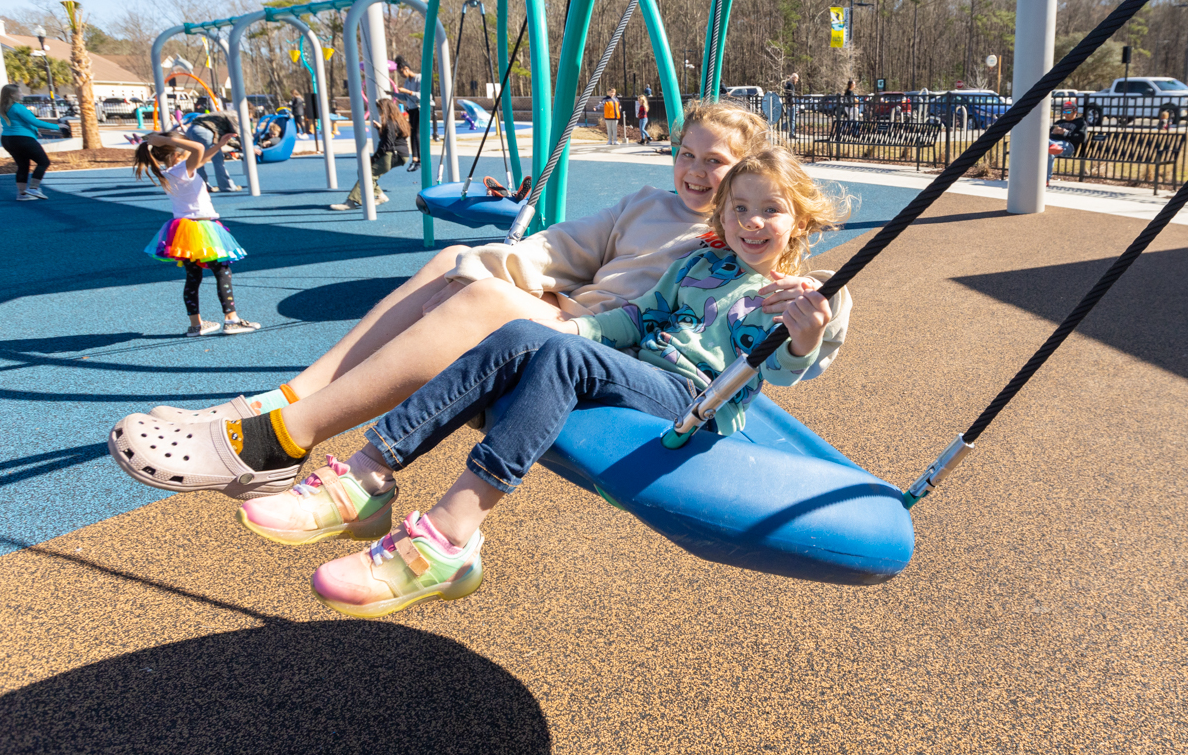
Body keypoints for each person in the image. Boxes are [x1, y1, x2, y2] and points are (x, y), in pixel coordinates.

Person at [108, 100, 852, 501]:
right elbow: (555, 249)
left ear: (744, 177)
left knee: (486, 301)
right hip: (573, 314)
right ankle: (279, 400)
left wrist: (812, 321)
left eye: (715, 164)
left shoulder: (729, 241)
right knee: (456, 263)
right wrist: (481, 266)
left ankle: (281, 442)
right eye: (686, 154)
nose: (694, 173)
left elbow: (795, 322)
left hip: (596, 342)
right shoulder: (644, 204)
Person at [243, 145, 848, 617]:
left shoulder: (797, 294)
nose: (752, 222)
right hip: (640, 372)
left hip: (694, 401)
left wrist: (805, 333)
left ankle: (448, 536)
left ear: (799, 222)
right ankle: (367, 473)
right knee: (521, 334)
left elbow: (783, 368)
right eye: (739, 208)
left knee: (562, 358)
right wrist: (571, 332)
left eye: (771, 210)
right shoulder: (698, 263)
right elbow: (636, 317)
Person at [134, 130, 261, 337]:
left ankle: (196, 325)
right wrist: (164, 139)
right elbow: (199, 149)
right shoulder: (183, 169)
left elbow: (201, 156)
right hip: (202, 228)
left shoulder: (169, 172)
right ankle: (232, 320)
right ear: (177, 153)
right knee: (222, 271)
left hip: (183, 231)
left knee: (193, 277)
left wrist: (218, 145)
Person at [331, 98, 408, 210]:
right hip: (400, 154)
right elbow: (393, 137)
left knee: (367, 174)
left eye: (379, 109)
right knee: (364, 172)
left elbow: (387, 143)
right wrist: (380, 129)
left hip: (393, 154)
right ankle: (380, 195)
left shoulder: (390, 122)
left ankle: (350, 202)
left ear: (384, 109)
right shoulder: (397, 120)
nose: (378, 111)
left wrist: (375, 157)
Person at [0, 83, 64, 201]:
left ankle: (22, 194)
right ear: (12, 95)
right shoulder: (18, 107)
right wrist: (58, 127)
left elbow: (21, 123)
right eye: (20, 92)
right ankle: (33, 188)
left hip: (7, 139)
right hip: (22, 139)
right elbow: (35, 122)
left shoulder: (2, 108)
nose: (22, 94)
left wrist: (34, 131)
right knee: (43, 162)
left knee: (23, 165)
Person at [184, 110, 242, 193]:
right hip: (204, 131)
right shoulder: (234, 116)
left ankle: (202, 186)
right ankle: (226, 186)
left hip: (191, 130)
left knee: (197, 159)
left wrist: (238, 145)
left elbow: (224, 138)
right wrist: (244, 146)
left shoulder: (220, 116)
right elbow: (238, 133)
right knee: (217, 159)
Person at [1046, 101, 1086, 185]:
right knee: (1048, 151)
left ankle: (1052, 146)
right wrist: (1053, 132)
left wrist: (1065, 133)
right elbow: (1047, 134)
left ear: (1075, 112)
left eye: (1068, 112)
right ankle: (1045, 180)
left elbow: (1082, 138)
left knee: (1048, 148)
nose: (1066, 114)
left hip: (1068, 146)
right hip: (1052, 143)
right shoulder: (1059, 122)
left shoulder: (1080, 123)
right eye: (1064, 111)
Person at [392, 56, 421, 168]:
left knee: (417, 133)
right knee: (412, 132)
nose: (401, 75)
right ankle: (415, 157)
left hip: (420, 108)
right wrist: (393, 94)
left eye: (401, 72)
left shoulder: (419, 78)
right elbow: (405, 97)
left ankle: (420, 158)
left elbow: (422, 95)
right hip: (412, 109)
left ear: (406, 69)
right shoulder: (407, 82)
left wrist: (408, 92)